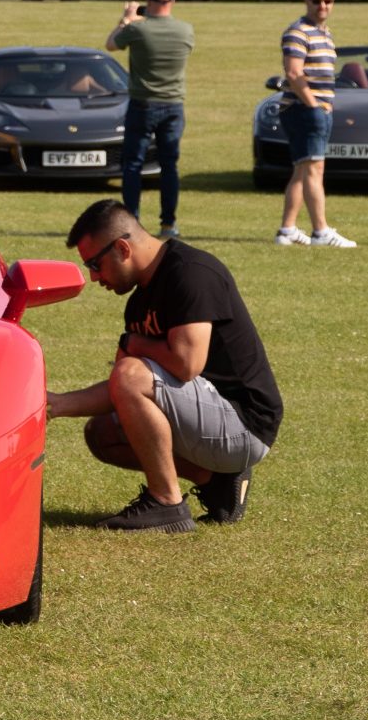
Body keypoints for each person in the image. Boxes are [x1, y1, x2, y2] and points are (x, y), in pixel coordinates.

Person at [47, 201, 284, 531]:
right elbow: (122, 388)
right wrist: (55, 405)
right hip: (209, 419)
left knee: (129, 374)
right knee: (101, 434)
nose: (93, 276)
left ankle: (166, 504)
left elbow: (187, 365)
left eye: (95, 263)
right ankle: (215, 480)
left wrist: (134, 344)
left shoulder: (191, 272)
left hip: (246, 424)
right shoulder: (139, 301)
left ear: (122, 247)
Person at [106, 0, 193, 236]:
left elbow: (111, 44)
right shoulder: (186, 30)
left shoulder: (139, 30)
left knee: (133, 164)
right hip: (174, 105)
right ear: (172, 2)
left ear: (149, 2)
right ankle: (168, 224)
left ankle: (131, 223)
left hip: (143, 104)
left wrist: (127, 18)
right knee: (169, 166)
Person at [275, 0, 351, 247]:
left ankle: (287, 230)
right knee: (314, 170)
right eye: (317, 0)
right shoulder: (298, 32)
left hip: (315, 109)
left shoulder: (325, 34)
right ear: (306, 1)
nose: (322, 6)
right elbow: (294, 72)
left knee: (301, 170)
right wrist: (313, 104)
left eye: (327, 1)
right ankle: (321, 231)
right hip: (305, 109)